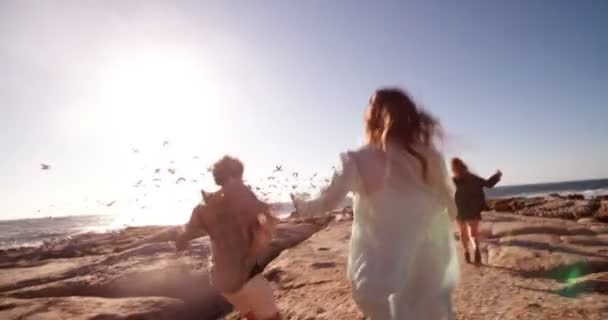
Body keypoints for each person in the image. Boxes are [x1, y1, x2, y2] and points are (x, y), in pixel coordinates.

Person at [290, 88, 459, 320]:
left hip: (379, 276)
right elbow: (450, 209)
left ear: (372, 115)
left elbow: (327, 201)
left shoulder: (357, 159)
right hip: (427, 274)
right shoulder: (430, 157)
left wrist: (300, 205)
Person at [176, 156, 281, 320]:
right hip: (247, 279)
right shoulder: (245, 197)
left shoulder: (203, 208)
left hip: (222, 283)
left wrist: (183, 240)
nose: (241, 181)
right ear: (234, 176)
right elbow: (268, 222)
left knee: (251, 315)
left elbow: (184, 236)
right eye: (239, 176)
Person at [451, 157, 501, 265]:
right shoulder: (473, 178)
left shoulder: (453, 181)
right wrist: (497, 176)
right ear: (464, 166)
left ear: (454, 169)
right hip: (473, 209)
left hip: (459, 209)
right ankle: (476, 249)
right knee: (473, 234)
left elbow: (444, 192)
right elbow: (489, 184)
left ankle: (466, 253)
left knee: (463, 233)